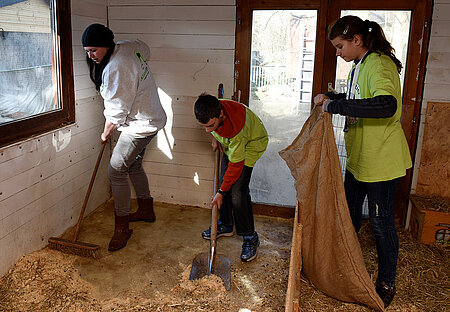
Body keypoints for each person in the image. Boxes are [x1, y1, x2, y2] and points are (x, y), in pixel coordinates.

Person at [313, 15, 412, 308]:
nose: (338, 52)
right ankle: (348, 266)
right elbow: (359, 97)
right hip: (360, 159)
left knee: (381, 224)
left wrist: (337, 105)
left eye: (340, 46)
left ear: (357, 40)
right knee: (350, 215)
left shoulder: (380, 64)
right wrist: (332, 97)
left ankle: (386, 283)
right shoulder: (359, 65)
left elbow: (385, 104)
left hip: (381, 161)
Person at [82, 24, 167, 252]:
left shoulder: (116, 67)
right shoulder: (129, 47)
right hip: (152, 117)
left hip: (140, 125)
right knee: (134, 163)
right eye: (87, 51)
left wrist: (105, 133)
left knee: (116, 170)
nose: (90, 56)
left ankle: (121, 228)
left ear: (107, 46)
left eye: (94, 50)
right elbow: (145, 49)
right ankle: (146, 210)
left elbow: (116, 112)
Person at [194, 94, 268, 262]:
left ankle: (250, 236)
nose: (207, 130)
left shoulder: (237, 130)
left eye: (211, 126)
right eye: (204, 127)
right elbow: (212, 126)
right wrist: (215, 136)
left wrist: (220, 192)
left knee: (237, 191)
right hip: (234, 144)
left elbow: (235, 166)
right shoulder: (214, 110)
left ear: (221, 115)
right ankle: (226, 224)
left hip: (251, 144)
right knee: (224, 183)